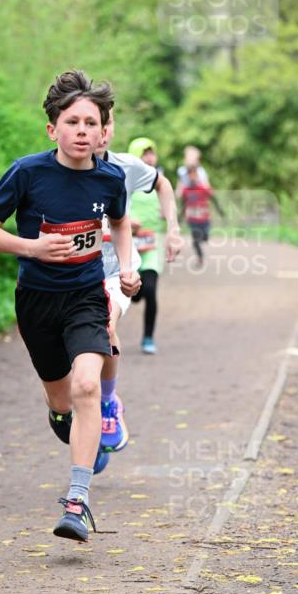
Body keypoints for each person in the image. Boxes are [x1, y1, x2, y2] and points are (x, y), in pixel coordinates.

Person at [0, 70, 140, 543]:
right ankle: (68, 422)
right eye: (73, 121)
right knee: (63, 399)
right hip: (36, 302)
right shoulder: (27, 172)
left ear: (104, 130)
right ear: (53, 129)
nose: (82, 130)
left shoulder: (110, 178)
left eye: (92, 122)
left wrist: (127, 269)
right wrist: (33, 248)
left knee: (88, 386)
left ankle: (78, 500)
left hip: (87, 295)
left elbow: (121, 223)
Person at [94, 125, 181, 446]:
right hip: (72, 275)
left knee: (105, 324)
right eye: (83, 122)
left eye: (103, 124)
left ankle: (107, 401)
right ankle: (77, 412)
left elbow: (163, 183)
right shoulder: (54, 170)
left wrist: (172, 229)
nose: (97, 132)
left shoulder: (126, 166)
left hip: (120, 269)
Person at [123, 137, 181, 355]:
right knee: (134, 291)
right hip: (128, 244)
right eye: (144, 153)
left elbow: (171, 206)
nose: (149, 157)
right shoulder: (123, 180)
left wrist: (169, 222)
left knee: (150, 289)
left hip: (152, 243)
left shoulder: (160, 182)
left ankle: (148, 337)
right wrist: (128, 222)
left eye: (151, 153)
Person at [179, 163, 223, 267]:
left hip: (204, 219)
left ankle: (200, 245)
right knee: (196, 240)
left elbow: (214, 198)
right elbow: (183, 205)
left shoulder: (203, 188)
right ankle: (200, 258)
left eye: (194, 174)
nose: (192, 176)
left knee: (205, 237)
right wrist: (179, 218)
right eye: (190, 174)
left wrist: (220, 210)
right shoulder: (186, 191)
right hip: (193, 220)